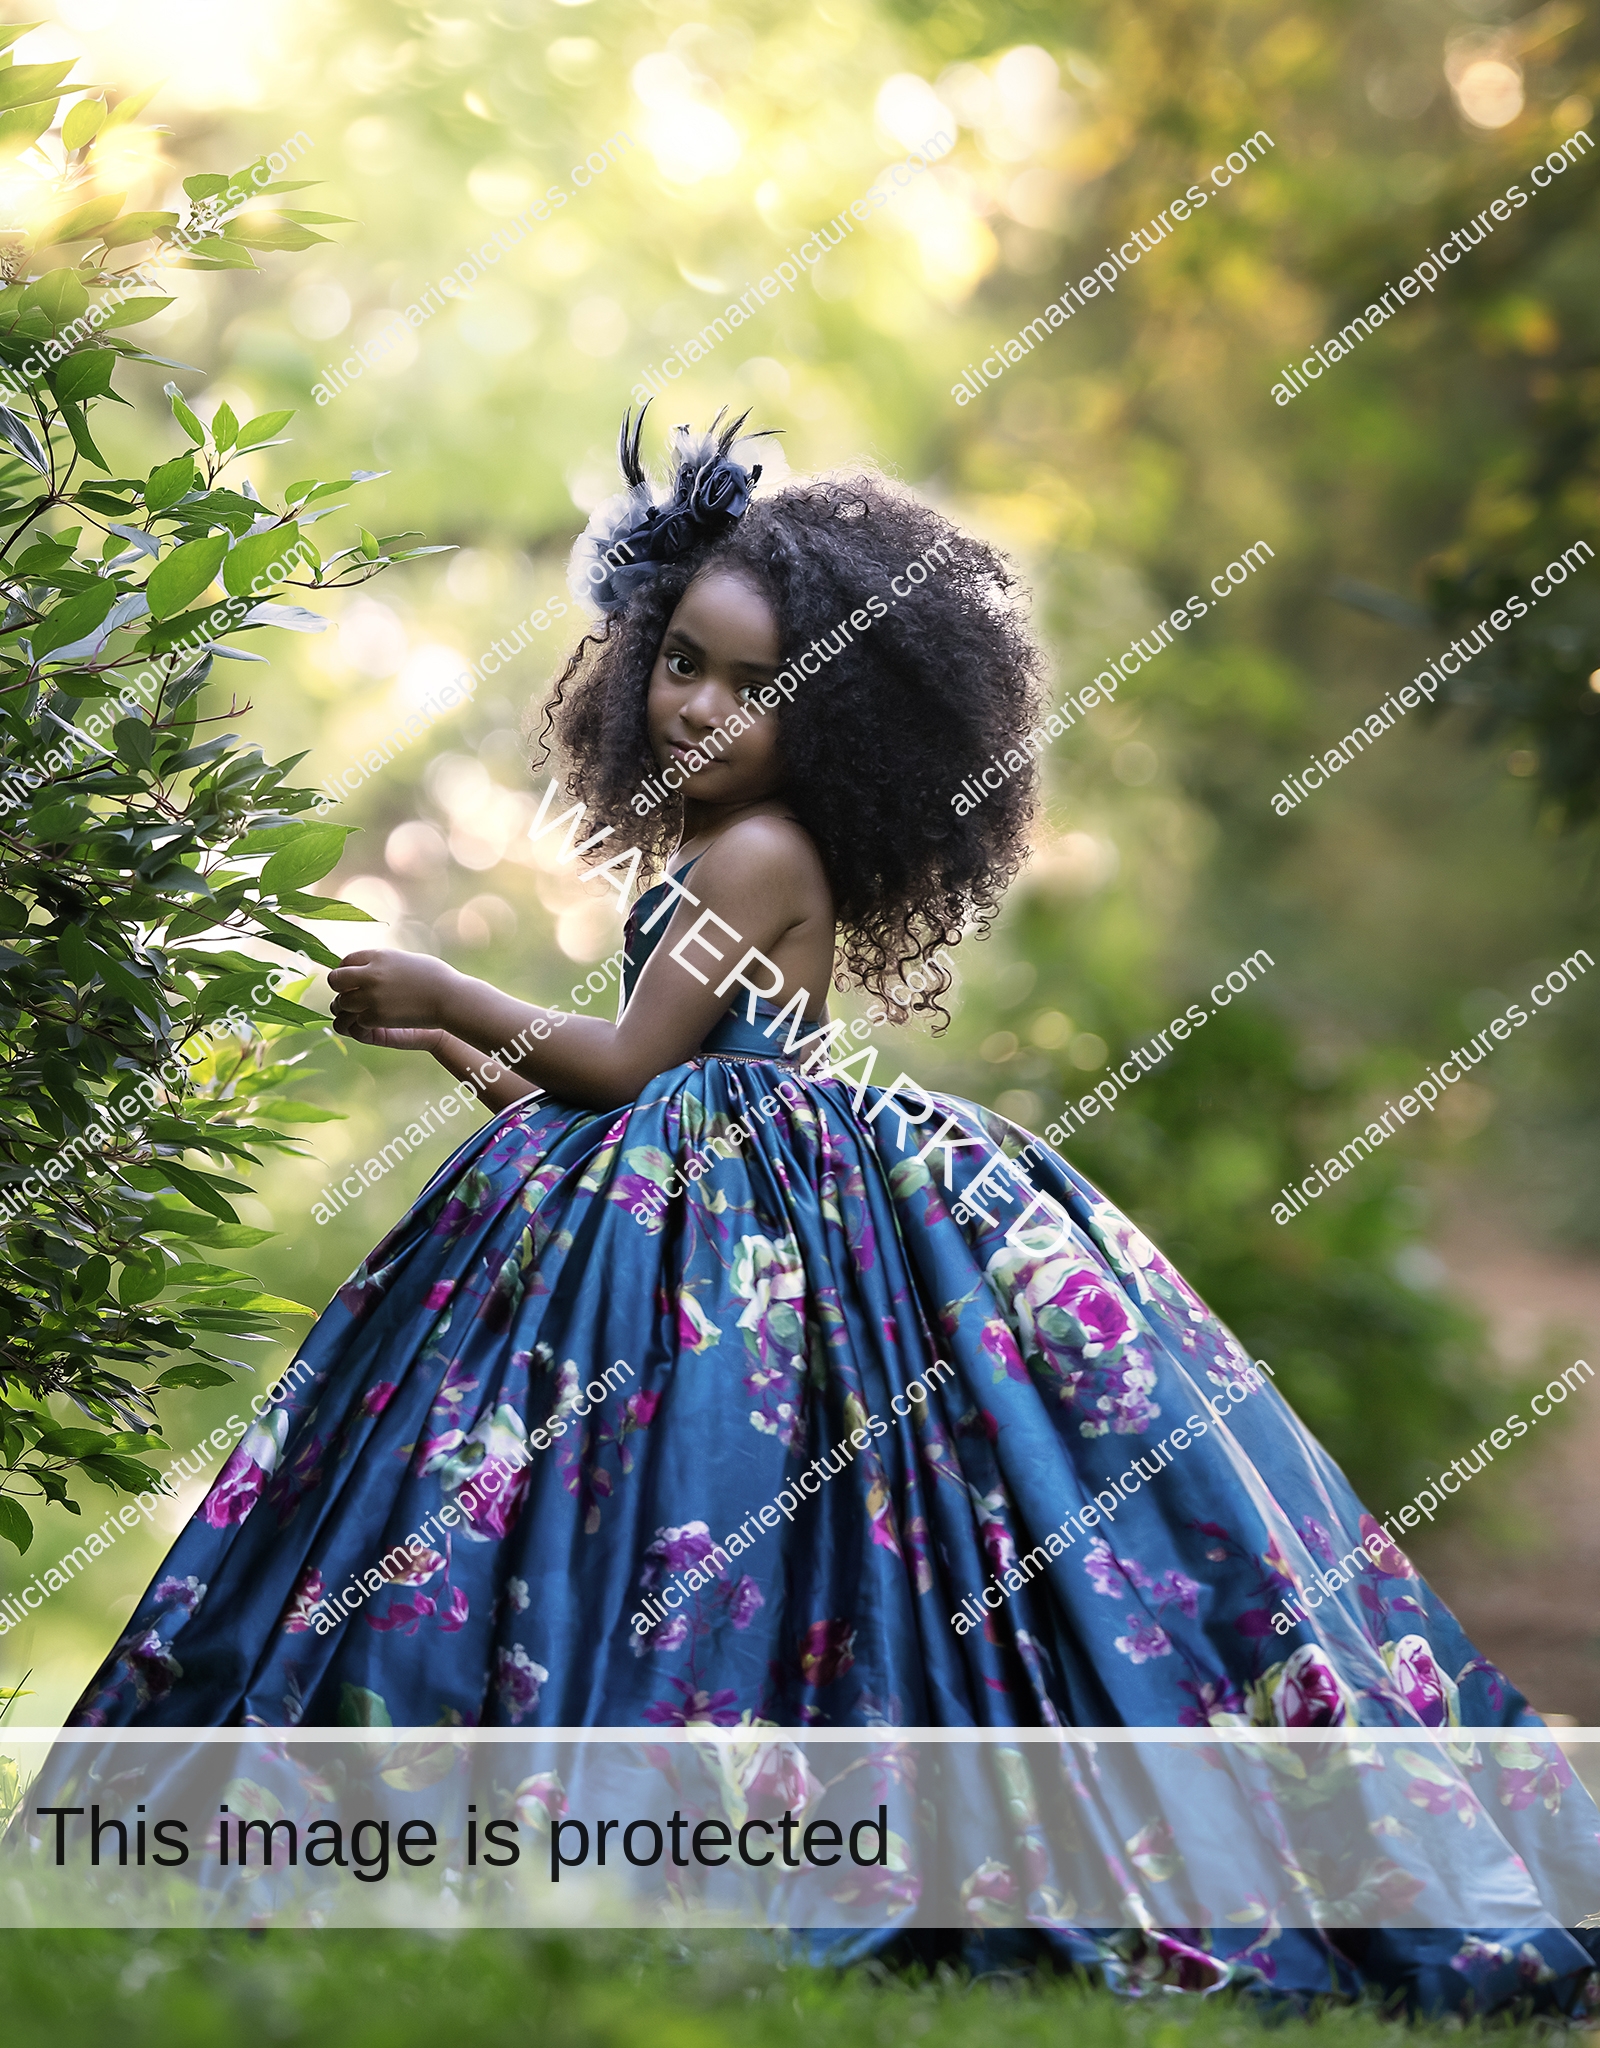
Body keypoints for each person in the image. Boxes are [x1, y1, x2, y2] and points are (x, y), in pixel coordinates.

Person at [64, 406, 1600, 2014]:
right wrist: (455, 1036)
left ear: (847, 723)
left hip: (737, 1211)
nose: (704, 709)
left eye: (757, 687)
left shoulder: (755, 859)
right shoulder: (719, 847)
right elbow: (595, 1090)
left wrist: (453, 976)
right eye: (685, 665)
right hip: (691, 1175)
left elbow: (623, 1059)